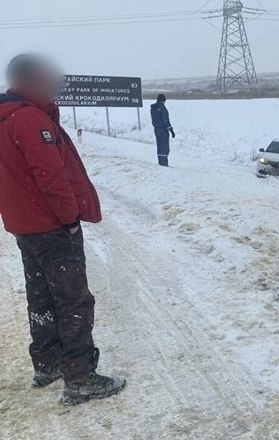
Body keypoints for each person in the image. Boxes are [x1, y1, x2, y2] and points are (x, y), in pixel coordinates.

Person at [0, 54, 126, 405]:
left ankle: (48, 362)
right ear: (30, 81)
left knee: (40, 294)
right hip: (51, 226)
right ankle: (80, 377)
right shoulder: (28, 119)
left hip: (24, 225)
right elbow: (51, 176)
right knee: (73, 300)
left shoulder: (7, 117)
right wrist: (69, 219)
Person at [150, 93, 175, 167]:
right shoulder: (162, 108)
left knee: (159, 146)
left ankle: (160, 162)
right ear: (163, 100)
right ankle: (164, 163)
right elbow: (165, 120)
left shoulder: (153, 108)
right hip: (163, 130)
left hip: (156, 129)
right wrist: (171, 130)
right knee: (164, 147)